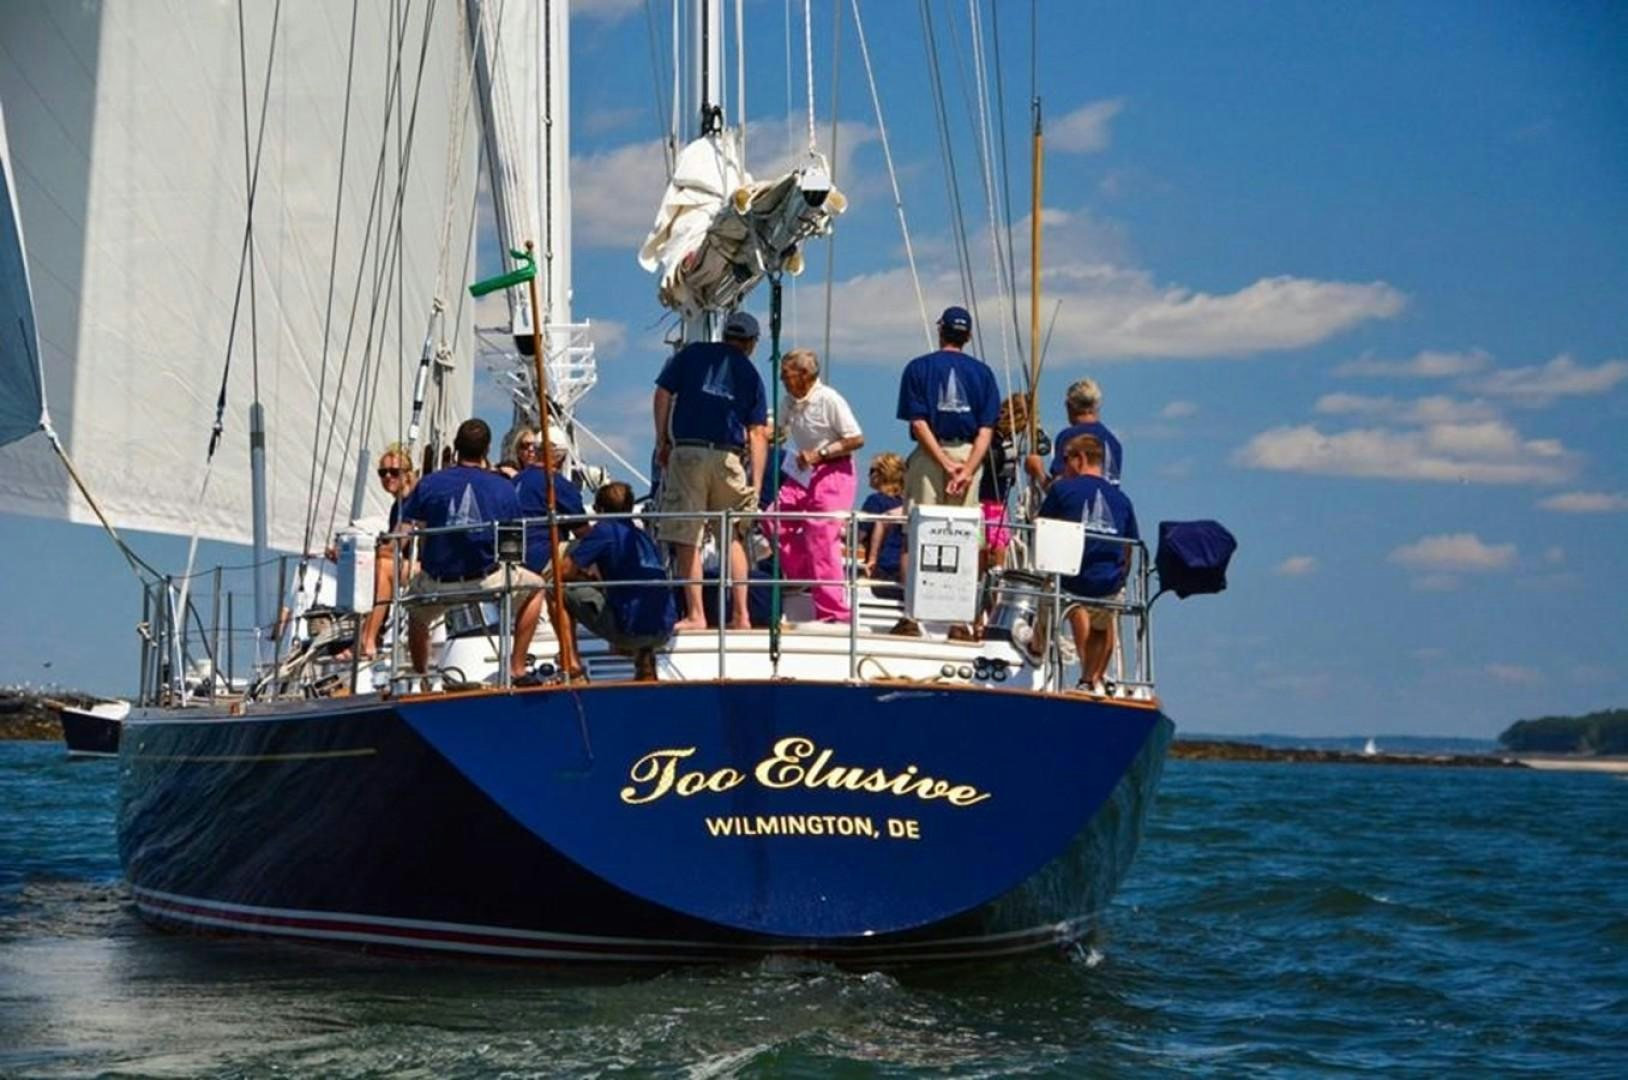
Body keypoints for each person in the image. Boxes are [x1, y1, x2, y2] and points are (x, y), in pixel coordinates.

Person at [398, 418, 547, 684]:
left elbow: (405, 530)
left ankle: (422, 678)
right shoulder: (503, 487)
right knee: (536, 588)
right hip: (485, 580)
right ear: (486, 450)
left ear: (456, 447)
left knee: (415, 613)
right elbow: (511, 544)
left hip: (438, 582)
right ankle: (516, 667)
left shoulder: (430, 484)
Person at [651, 310, 770, 631]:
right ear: (751, 343)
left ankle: (696, 615)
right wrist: (756, 485)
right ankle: (741, 616)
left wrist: (662, 440)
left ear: (725, 335)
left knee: (687, 535)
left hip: (689, 451)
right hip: (728, 458)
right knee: (732, 536)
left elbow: (662, 393)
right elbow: (758, 432)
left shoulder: (691, 355)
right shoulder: (751, 373)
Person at [892, 305, 1000, 636]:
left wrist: (943, 461)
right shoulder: (984, 374)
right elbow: (986, 429)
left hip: (930, 454)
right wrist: (966, 468)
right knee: (965, 538)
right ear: (968, 336)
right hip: (969, 454)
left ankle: (912, 617)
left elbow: (919, 422)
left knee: (916, 533)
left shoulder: (918, 368)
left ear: (941, 330)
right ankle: (960, 621)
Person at [1038, 433, 1140, 693]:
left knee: (1046, 601)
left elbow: (1042, 528)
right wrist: (1120, 578)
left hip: (1070, 581)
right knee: (1103, 623)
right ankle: (1090, 678)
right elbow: (1129, 547)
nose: (1063, 466)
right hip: (1107, 584)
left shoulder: (1061, 490)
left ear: (1080, 458)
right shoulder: (1123, 500)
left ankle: (1035, 648)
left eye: (1065, 459)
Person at [775, 348, 864, 623]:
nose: (782, 379)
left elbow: (856, 438)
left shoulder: (829, 399)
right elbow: (779, 430)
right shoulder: (790, 401)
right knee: (772, 517)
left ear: (805, 374)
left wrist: (820, 453)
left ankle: (834, 611)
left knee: (822, 534)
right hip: (804, 471)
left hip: (834, 469)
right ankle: (804, 574)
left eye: (786, 375)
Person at [556, 482, 677, 682]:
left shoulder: (604, 531)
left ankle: (571, 664)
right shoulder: (643, 537)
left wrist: (586, 579)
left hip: (630, 631)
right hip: (663, 631)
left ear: (600, 510)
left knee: (557, 590)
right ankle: (645, 665)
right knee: (637, 600)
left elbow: (564, 571)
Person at [356, 442, 417, 659]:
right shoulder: (397, 506)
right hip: (410, 565)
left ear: (408, 474)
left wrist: (371, 552)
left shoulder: (414, 501)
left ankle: (369, 639)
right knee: (372, 564)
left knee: (382, 566)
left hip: (426, 566)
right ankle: (368, 635)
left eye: (394, 472)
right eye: (383, 472)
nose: (388, 477)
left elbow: (396, 546)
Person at [978, 392, 1050, 568]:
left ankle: (993, 591)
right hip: (986, 502)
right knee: (990, 551)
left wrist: (1037, 430)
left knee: (1000, 548)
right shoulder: (993, 438)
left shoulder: (1012, 440)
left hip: (998, 505)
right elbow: (990, 461)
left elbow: (1045, 447)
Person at [1049, 377, 1122, 485]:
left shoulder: (1068, 437)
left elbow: (1058, 488)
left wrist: (1037, 470)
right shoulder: (1113, 442)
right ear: (1097, 406)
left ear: (1069, 406)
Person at [859, 451, 906, 584]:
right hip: (902, 570)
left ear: (882, 474)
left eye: (872, 470)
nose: (869, 474)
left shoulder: (875, 501)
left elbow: (857, 536)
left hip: (880, 569)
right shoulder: (905, 504)